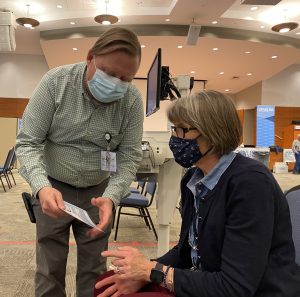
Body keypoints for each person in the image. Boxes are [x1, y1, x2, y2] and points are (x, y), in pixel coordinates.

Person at [94, 90, 300, 297]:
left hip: (249, 291)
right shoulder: (193, 178)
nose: (175, 138)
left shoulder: (251, 184)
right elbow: (186, 252)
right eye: (174, 129)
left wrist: (152, 271)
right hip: (211, 282)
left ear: (213, 133)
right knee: (106, 284)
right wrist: (142, 272)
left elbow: (235, 287)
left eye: (182, 130)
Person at [15, 27, 144, 297]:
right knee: (49, 267)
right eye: (109, 73)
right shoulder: (55, 82)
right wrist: (40, 186)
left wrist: (111, 197)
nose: (116, 84)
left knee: (95, 270)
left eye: (125, 78)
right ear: (90, 57)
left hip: (99, 193)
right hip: (53, 188)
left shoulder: (131, 100)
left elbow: (129, 156)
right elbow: (28, 142)